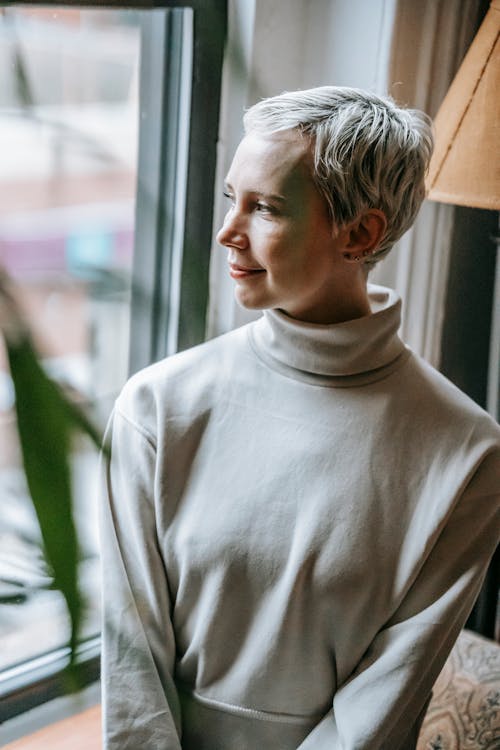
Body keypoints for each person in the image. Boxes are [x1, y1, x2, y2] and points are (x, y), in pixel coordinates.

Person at [100, 86, 500, 749]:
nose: (228, 230)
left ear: (362, 232)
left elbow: (388, 693)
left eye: (264, 208)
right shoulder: (157, 407)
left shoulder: (467, 454)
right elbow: (129, 654)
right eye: (233, 197)